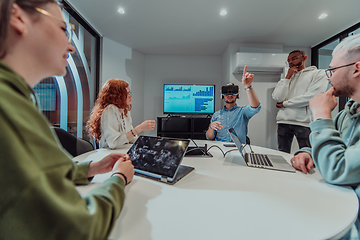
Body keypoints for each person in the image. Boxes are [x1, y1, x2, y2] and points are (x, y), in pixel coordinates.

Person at [0, 0, 134, 239]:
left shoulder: (20, 99)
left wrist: (91, 167)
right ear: (18, 18)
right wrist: (119, 179)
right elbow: (80, 228)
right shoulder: (8, 106)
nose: (71, 47)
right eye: (64, 30)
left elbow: (34, 169)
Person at [291, 33, 360, 238]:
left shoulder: (333, 114)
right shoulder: (348, 112)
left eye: (332, 69)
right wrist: (306, 152)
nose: (328, 76)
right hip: (334, 204)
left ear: (357, 68)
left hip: (351, 223)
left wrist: (321, 115)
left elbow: (337, 169)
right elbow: (327, 146)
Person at [272, 50, 328, 153]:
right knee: (282, 153)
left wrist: (285, 104)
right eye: (288, 60)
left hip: (304, 122)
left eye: (294, 58)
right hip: (283, 121)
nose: (291, 62)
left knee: (306, 154)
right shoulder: (287, 78)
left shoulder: (317, 74)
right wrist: (287, 78)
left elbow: (310, 97)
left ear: (304, 58)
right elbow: (277, 98)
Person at [87, 79, 156, 149]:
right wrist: (139, 128)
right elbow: (113, 143)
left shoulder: (124, 111)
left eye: (130, 93)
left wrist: (148, 143)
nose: (131, 96)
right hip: (110, 154)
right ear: (118, 96)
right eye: (127, 94)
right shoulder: (110, 110)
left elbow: (131, 138)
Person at [206, 66, 261, 143]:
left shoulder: (242, 112)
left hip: (237, 149)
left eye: (233, 93)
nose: (229, 95)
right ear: (222, 95)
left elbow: (256, 107)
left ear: (237, 95)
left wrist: (248, 86)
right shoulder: (217, 115)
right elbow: (209, 137)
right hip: (220, 149)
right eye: (226, 93)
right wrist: (211, 127)